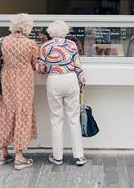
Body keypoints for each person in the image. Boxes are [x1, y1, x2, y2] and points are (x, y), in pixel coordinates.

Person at [0, 13, 38, 170]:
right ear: (27, 27)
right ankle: (19, 157)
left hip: (7, 80)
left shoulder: (3, 41)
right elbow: (36, 65)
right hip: (24, 82)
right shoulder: (31, 44)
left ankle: (3, 153)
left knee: (6, 112)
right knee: (22, 113)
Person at [37, 20, 87, 166]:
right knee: (73, 118)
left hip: (54, 81)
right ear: (65, 31)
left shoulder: (45, 46)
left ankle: (58, 157)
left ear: (51, 32)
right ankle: (79, 156)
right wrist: (82, 82)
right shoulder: (71, 44)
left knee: (56, 119)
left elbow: (41, 69)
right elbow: (78, 65)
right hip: (71, 79)